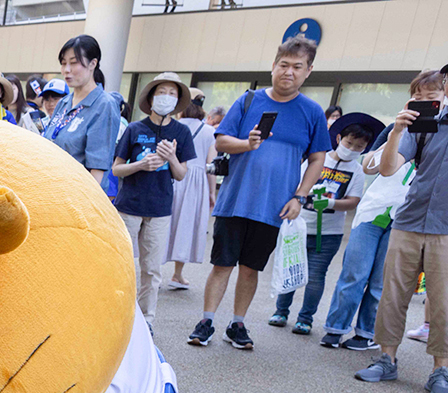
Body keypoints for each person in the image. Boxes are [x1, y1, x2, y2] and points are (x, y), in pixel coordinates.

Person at [186, 35, 331, 349]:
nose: (288, 72)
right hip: (235, 200)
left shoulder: (312, 112)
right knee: (222, 264)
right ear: (273, 67)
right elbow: (221, 142)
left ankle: (237, 324)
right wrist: (246, 144)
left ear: (308, 71)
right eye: (283, 65)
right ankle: (206, 320)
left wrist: (300, 196)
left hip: (275, 206)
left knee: (251, 269)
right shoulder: (249, 100)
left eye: (297, 67)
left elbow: (318, 157)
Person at [323, 71, 442, 350]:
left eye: (431, 97)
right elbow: (369, 166)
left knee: (381, 281)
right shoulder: (396, 128)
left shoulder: (442, 133)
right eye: (417, 96)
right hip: (373, 212)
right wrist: (397, 131)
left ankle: (365, 333)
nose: (423, 101)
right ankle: (335, 327)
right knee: (355, 272)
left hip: (408, 219)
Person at [355, 62, 448, 393]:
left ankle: (442, 369)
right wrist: (395, 131)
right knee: (393, 292)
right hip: (408, 220)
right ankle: (385, 359)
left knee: (443, 302)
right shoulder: (425, 125)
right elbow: (388, 167)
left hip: (445, 229)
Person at [270, 115, 376, 334]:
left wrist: (331, 202)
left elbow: (353, 201)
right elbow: (297, 185)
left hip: (329, 234)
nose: (352, 149)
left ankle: (305, 318)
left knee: (316, 277)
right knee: (291, 269)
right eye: (348, 143)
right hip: (299, 226)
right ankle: (281, 311)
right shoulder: (317, 159)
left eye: (359, 146)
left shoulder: (357, 171)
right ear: (338, 138)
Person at [112, 72, 196, 327]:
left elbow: (181, 175)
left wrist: (170, 157)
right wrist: (139, 164)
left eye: (172, 93)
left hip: (160, 209)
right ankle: (115, 316)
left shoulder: (181, 132)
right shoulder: (134, 128)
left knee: (151, 269)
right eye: (162, 92)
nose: (166, 97)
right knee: (121, 262)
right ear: (151, 97)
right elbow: (116, 169)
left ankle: (146, 321)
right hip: (129, 206)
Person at [46, 35, 120, 186]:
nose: (66, 70)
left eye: (74, 63)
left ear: (93, 63)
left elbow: (97, 169)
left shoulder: (104, 105)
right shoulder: (64, 102)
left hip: (77, 196)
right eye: (63, 63)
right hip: (51, 188)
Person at [165, 97, 217, 289]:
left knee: (165, 223)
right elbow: (211, 165)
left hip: (172, 176)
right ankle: (177, 274)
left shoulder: (174, 126)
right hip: (196, 182)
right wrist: (212, 192)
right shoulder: (209, 131)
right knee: (185, 226)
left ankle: (153, 269)